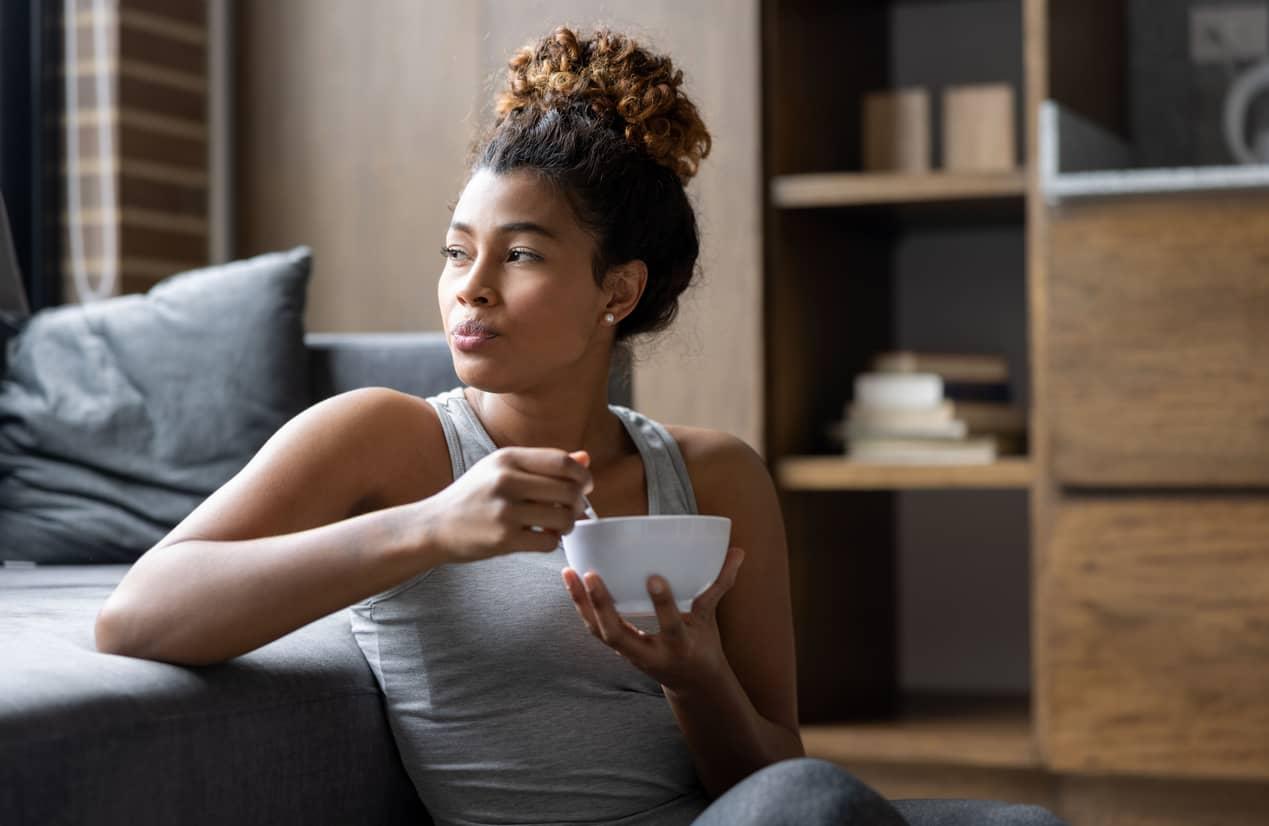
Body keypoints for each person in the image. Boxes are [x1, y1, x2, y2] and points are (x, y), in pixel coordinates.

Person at [94, 24, 924, 826]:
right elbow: (136, 615)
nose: (471, 288)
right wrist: (431, 527)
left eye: (519, 255)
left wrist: (697, 677)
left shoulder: (715, 476)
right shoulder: (386, 440)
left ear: (617, 292)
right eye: (458, 253)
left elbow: (779, 784)